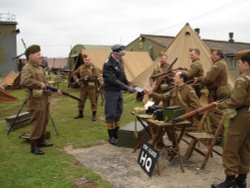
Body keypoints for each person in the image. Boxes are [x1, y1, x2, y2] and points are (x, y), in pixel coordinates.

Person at [211, 51, 250, 188]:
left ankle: (230, 180)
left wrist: (220, 105)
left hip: (241, 116)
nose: (239, 65)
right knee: (245, 147)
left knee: (230, 148)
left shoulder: (242, 80)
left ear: (245, 63)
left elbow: (236, 101)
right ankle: (242, 179)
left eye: (239, 62)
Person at [144, 71, 201, 149]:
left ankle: (175, 143)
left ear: (181, 79)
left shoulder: (189, 90)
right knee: (154, 120)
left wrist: (182, 114)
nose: (173, 78)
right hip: (173, 115)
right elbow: (163, 97)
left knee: (168, 123)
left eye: (176, 77)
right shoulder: (174, 89)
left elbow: (196, 107)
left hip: (185, 118)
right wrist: (151, 93)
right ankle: (159, 143)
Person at [20, 45, 56, 155]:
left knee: (44, 120)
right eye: (38, 54)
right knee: (37, 122)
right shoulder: (27, 68)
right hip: (35, 99)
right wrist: (39, 84)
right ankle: (34, 145)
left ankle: (41, 140)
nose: (40, 56)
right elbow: (24, 81)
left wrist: (49, 88)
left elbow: (44, 83)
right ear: (30, 55)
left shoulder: (39, 67)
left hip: (43, 98)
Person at [195, 49, 231, 141]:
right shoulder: (221, 63)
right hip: (220, 90)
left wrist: (198, 79)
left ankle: (217, 136)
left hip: (219, 91)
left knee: (215, 114)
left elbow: (208, 79)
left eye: (213, 55)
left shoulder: (218, 65)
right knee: (216, 114)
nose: (211, 56)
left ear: (218, 56)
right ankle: (217, 135)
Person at [102, 44, 135, 145]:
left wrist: (128, 84)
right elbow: (113, 80)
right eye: (120, 54)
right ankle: (111, 136)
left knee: (118, 112)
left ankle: (116, 132)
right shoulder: (108, 64)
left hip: (118, 91)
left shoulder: (120, 60)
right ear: (114, 53)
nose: (122, 56)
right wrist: (126, 87)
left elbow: (122, 74)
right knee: (111, 114)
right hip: (110, 91)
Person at [73, 55, 99, 121]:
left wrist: (88, 78)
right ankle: (80, 114)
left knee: (93, 101)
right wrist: (76, 79)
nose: (87, 61)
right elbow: (74, 73)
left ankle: (94, 115)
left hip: (91, 86)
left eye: (88, 60)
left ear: (90, 60)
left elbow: (96, 77)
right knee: (81, 100)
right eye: (85, 60)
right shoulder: (81, 67)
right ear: (83, 60)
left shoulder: (93, 67)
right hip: (83, 86)